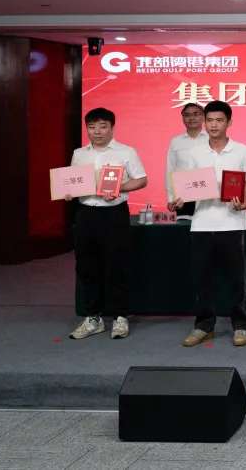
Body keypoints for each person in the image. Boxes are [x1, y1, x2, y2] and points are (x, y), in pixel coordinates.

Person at [171, 100, 246, 348]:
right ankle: (204, 325)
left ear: (229, 122)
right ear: (204, 122)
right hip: (201, 223)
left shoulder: (242, 151)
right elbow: (188, 186)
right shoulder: (195, 153)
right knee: (202, 278)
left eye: (219, 120)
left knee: (236, 279)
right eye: (209, 120)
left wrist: (245, 203)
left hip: (232, 223)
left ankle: (241, 325)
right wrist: (179, 200)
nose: (214, 125)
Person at [67, 107, 147, 341]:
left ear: (112, 128)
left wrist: (119, 187)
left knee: (117, 264)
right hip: (85, 214)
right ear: (87, 129)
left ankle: (120, 316)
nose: (97, 132)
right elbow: (73, 181)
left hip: (114, 214)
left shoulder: (126, 151)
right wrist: (68, 191)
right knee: (86, 266)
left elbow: (142, 180)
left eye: (103, 126)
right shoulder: (79, 153)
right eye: (92, 127)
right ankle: (93, 317)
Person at [165, 103, 207, 218]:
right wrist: (171, 198)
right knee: (184, 227)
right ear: (183, 118)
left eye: (196, 114)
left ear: (203, 117)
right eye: (187, 115)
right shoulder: (176, 141)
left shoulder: (212, 139)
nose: (191, 118)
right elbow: (170, 171)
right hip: (183, 197)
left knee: (207, 227)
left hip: (207, 195)